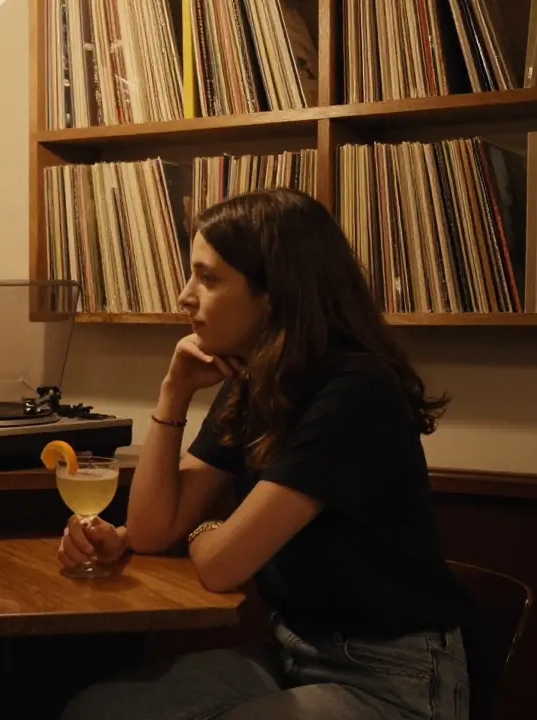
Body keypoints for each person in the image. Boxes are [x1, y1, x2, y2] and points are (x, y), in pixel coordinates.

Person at [58, 188, 472, 719]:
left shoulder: (355, 390)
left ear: (273, 293)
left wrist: (206, 530)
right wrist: (174, 391)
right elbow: (152, 528)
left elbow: (223, 565)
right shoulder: (255, 379)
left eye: (207, 278)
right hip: (295, 652)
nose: (185, 296)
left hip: (394, 679)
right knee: (99, 710)